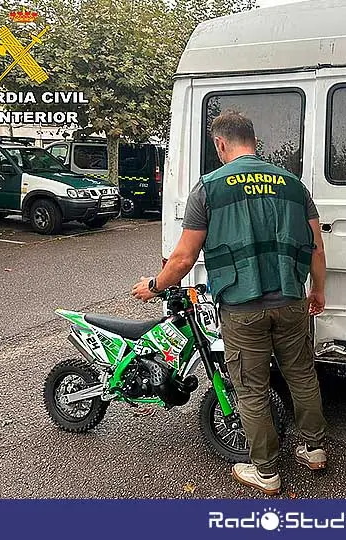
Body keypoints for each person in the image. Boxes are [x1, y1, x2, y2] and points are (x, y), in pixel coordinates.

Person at [132, 111, 328, 496]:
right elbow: (317, 247)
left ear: (220, 144)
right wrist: (317, 290)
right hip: (291, 299)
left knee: (251, 389)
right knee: (302, 376)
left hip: (242, 308)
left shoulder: (209, 188)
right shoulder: (293, 185)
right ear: (253, 141)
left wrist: (154, 285)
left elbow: (184, 258)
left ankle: (267, 472)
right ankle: (314, 450)